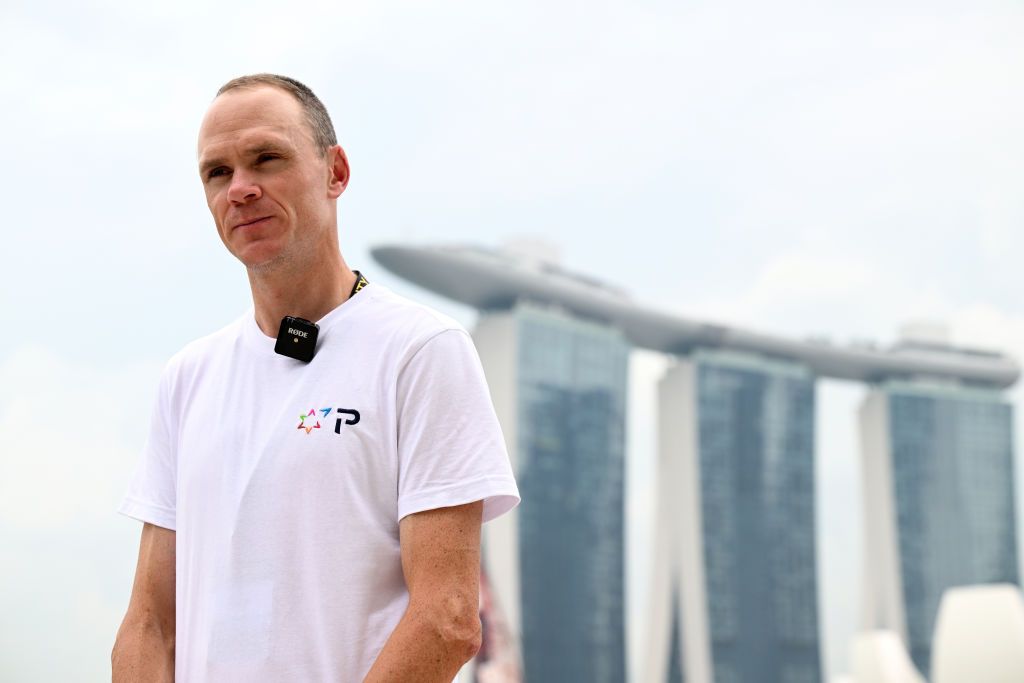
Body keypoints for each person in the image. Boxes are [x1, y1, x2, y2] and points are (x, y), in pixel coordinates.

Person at [111, 74, 520, 682]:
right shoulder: (187, 377)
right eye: (217, 173)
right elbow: (150, 622)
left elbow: (449, 616)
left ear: (336, 172)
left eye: (265, 159)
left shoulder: (420, 351)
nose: (241, 189)